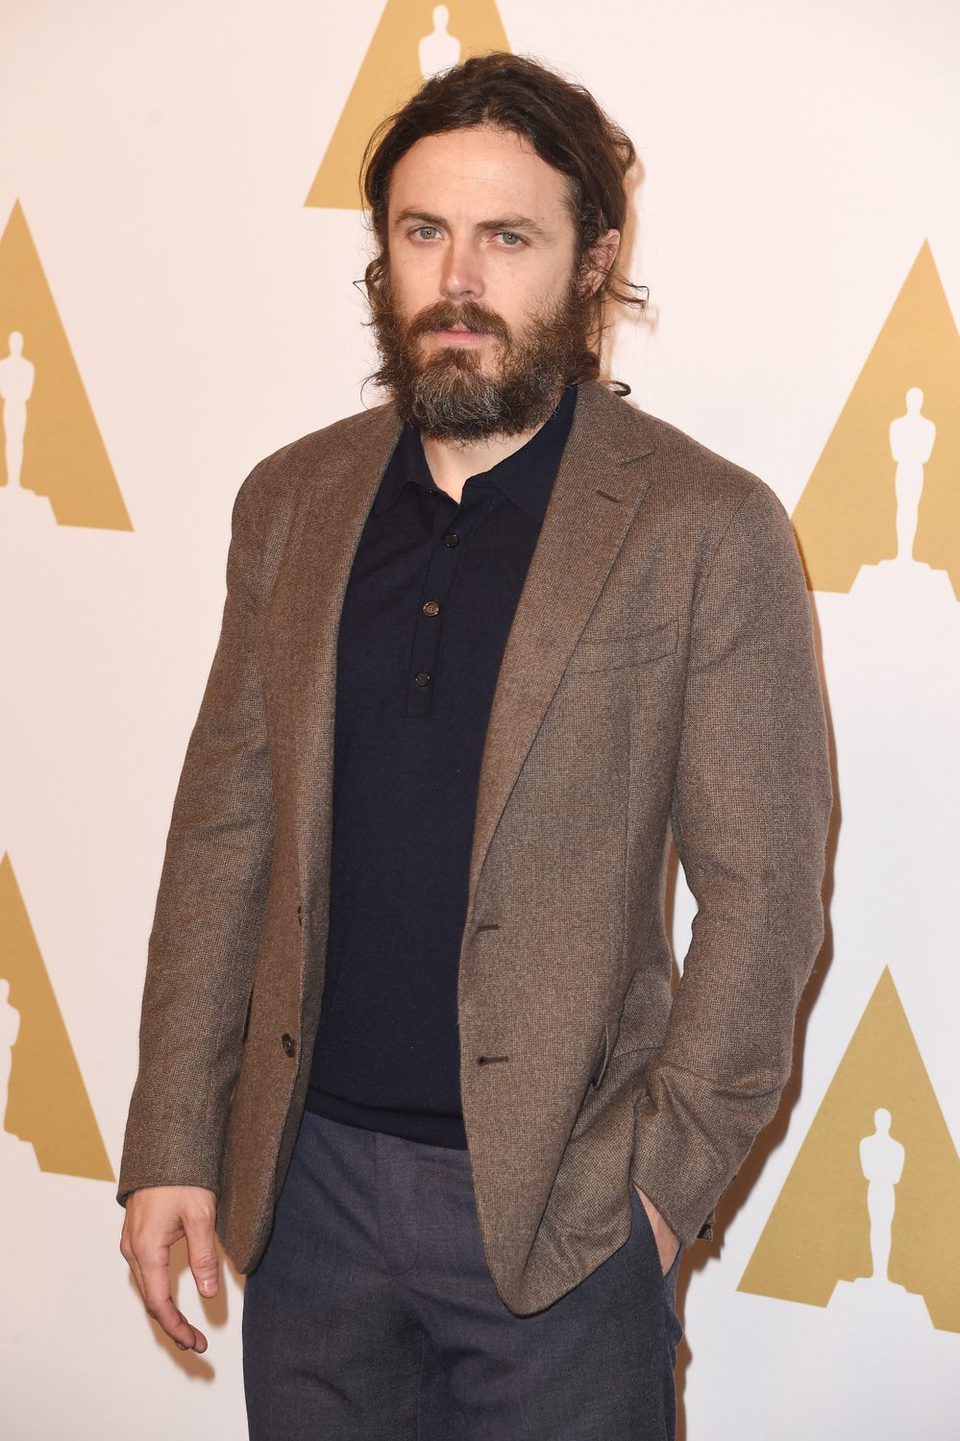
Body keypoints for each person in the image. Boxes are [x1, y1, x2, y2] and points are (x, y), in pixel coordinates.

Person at [117, 51, 833, 1440]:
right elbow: (225, 838)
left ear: (592, 262)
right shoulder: (293, 501)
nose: (457, 279)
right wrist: (172, 1144)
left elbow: (766, 894)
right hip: (306, 1195)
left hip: (560, 1219)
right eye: (422, 231)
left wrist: (654, 1195)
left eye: (509, 238)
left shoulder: (703, 526)